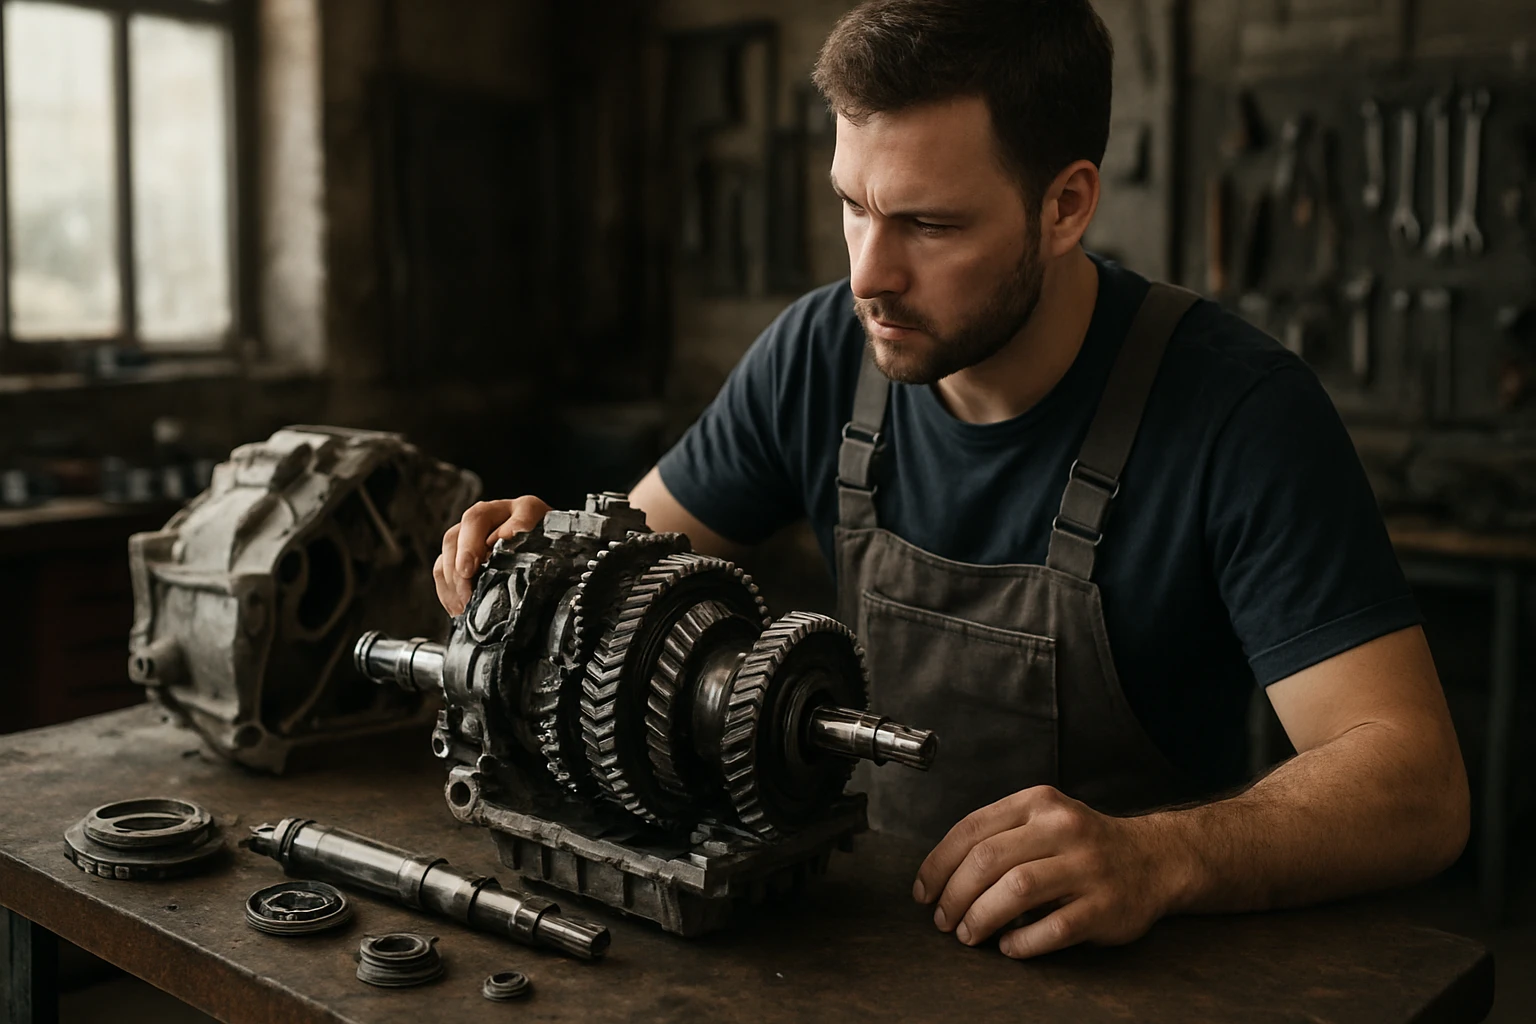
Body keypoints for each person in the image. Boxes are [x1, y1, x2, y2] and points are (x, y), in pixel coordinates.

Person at [434, 0, 1468, 961]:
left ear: (1065, 205)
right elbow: (628, 569)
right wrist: (549, 560)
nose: (869, 275)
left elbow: (1415, 783)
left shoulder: (1239, 413)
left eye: (929, 225)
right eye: (852, 205)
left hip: (1113, 968)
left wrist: (1163, 855)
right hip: (854, 940)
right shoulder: (816, 355)